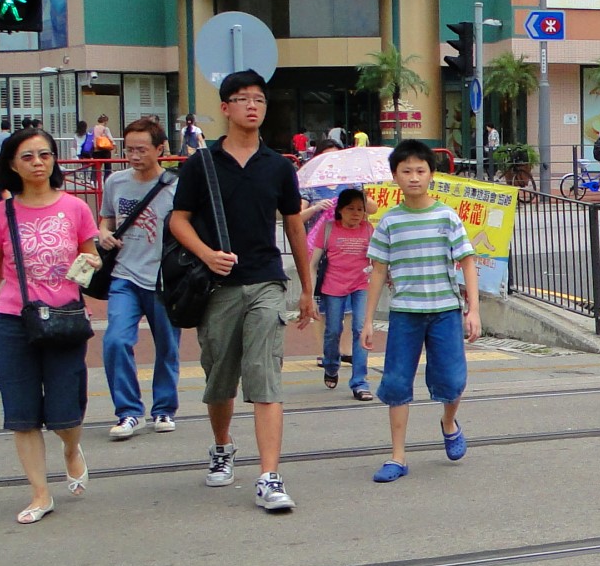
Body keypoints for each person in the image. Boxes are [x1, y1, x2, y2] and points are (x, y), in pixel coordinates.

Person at [168, 69, 318, 513]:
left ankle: (269, 476)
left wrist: (306, 288)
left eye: (259, 99)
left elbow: (294, 226)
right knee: (220, 379)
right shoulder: (202, 164)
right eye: (243, 98)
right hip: (217, 287)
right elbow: (178, 219)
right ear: (225, 108)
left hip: (267, 281)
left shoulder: (278, 166)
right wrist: (207, 254)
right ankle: (222, 445)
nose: (253, 106)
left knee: (265, 374)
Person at [0, 128, 99, 524]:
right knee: (21, 413)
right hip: (14, 320)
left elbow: (90, 257)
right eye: (28, 157)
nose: (38, 163)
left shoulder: (75, 208)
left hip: (65, 319)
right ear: (12, 165)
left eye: (44, 155)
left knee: (65, 412)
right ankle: (40, 493)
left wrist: (91, 263)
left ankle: (70, 448)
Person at [361, 141, 479, 482]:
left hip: (445, 311)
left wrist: (473, 310)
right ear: (395, 176)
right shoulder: (389, 222)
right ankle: (397, 457)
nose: (414, 177)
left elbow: (467, 262)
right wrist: (367, 321)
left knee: (452, 381)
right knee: (396, 382)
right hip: (405, 314)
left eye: (420, 171)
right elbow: (378, 272)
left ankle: (448, 422)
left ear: (431, 175)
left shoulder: (446, 216)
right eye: (406, 171)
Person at [98, 118, 179, 441]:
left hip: (163, 278)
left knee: (168, 346)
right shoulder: (116, 182)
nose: (134, 155)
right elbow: (106, 219)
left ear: (160, 149)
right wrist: (103, 233)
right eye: (129, 149)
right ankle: (129, 411)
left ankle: (164, 408)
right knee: (115, 340)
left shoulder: (175, 186)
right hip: (124, 275)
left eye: (141, 149)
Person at [308, 187, 373, 399]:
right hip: (333, 287)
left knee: (360, 329)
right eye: (351, 208)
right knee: (333, 330)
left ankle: (360, 382)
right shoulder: (328, 228)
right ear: (340, 210)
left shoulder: (368, 229)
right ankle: (330, 364)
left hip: (361, 286)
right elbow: (312, 265)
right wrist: (309, 295)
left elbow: (377, 260)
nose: (356, 213)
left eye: (360, 209)